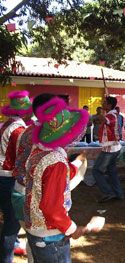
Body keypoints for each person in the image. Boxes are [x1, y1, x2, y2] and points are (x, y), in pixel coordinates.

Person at [24, 96, 89, 262]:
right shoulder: (55, 161)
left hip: (35, 229)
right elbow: (51, 208)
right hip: (49, 236)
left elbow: (57, 177)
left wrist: (76, 162)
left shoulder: (39, 151)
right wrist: (72, 229)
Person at [11, 93, 56, 263]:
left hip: (20, 191)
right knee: (41, 245)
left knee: (34, 244)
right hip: (31, 196)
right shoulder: (45, 133)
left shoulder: (29, 130)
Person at [0, 90, 33, 263]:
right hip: (7, 177)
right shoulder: (19, 130)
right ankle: (5, 258)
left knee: (7, 217)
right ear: (25, 111)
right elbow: (23, 158)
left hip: (2, 175)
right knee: (11, 223)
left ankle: (11, 247)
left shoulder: (6, 124)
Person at [93, 96, 124, 203]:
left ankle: (108, 192)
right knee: (112, 171)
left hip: (110, 149)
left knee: (96, 170)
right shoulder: (113, 114)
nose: (102, 103)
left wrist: (99, 113)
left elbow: (104, 120)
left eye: (104, 102)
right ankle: (118, 193)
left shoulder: (111, 115)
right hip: (114, 147)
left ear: (109, 105)